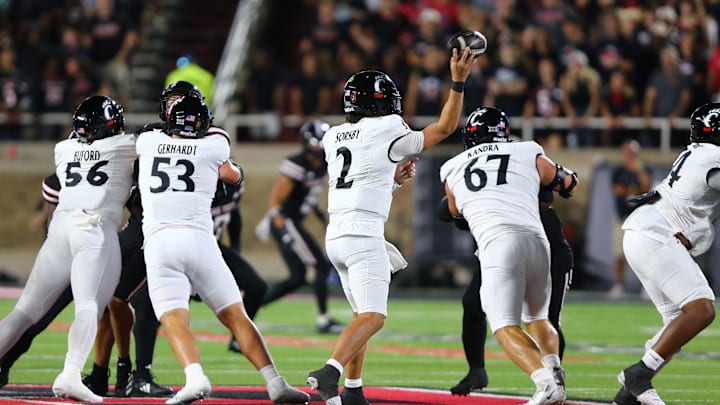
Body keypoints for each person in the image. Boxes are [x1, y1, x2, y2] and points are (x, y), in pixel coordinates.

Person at [306, 46, 475, 405]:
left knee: (359, 317)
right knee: (373, 316)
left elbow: (362, 173)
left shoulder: (332, 135)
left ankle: (353, 390)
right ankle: (329, 373)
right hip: (362, 234)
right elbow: (444, 128)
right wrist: (457, 83)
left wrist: (393, 177)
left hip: (336, 234)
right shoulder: (388, 127)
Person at [136, 95, 308, 405]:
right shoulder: (214, 147)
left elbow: (150, 136)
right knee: (236, 315)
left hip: (160, 242)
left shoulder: (148, 141)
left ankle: (194, 377)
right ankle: (275, 383)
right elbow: (234, 175)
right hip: (201, 241)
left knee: (174, 317)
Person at [0, 95, 136, 403]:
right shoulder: (125, 145)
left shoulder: (63, 149)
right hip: (94, 229)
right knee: (89, 304)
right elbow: (152, 143)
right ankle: (71, 374)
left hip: (60, 229)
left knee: (25, 309)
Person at [441, 106, 579, 405]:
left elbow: (453, 213)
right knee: (539, 318)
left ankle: (545, 384)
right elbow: (567, 181)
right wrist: (566, 182)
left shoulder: (452, 168)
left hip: (498, 244)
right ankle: (555, 372)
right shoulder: (527, 150)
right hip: (538, 242)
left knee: (504, 325)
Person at [611, 103, 718, 405]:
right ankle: (639, 374)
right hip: (655, 234)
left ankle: (626, 397)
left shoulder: (697, 153)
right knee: (702, 309)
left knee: (676, 325)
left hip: (646, 231)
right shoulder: (712, 157)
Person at [440, 183, 574, 396]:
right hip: (502, 247)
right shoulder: (485, 168)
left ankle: (553, 384)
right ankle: (477, 370)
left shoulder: (525, 159)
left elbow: (554, 190)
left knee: (545, 320)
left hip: (547, 248)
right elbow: (447, 211)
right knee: (474, 303)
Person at [256, 119, 345, 334]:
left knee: (297, 278)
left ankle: (250, 305)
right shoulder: (297, 164)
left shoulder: (324, 165)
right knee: (321, 265)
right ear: (307, 143)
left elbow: (308, 195)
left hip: (293, 222)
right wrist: (284, 232)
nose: (320, 148)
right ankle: (324, 320)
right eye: (317, 143)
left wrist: (319, 216)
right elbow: (275, 203)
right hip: (284, 221)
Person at [608, 139, 652, 299]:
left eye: (632, 153)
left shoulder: (643, 168)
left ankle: (647, 287)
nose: (630, 156)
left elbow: (647, 188)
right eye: (627, 152)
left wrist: (639, 172)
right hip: (623, 217)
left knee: (644, 254)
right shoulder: (618, 171)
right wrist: (634, 189)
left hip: (640, 218)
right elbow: (618, 190)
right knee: (619, 253)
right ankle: (619, 285)